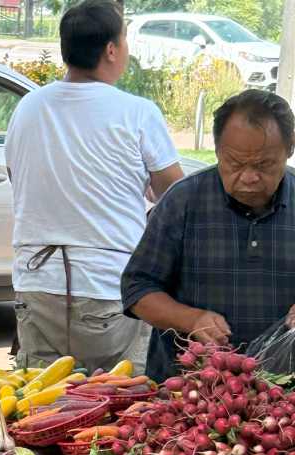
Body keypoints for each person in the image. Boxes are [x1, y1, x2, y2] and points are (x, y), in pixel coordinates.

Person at [4, 0, 183, 371]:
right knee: (114, 412)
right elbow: (175, 194)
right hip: (106, 288)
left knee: (40, 411)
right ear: (112, 50)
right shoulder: (136, 112)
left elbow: (20, 177)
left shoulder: (28, 107)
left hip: (36, 286)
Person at [122, 89, 295, 382]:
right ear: (217, 151)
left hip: (282, 398)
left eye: (265, 165)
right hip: (186, 391)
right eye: (236, 164)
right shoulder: (183, 200)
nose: (249, 177)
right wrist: (191, 319)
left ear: (289, 149)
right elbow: (136, 289)